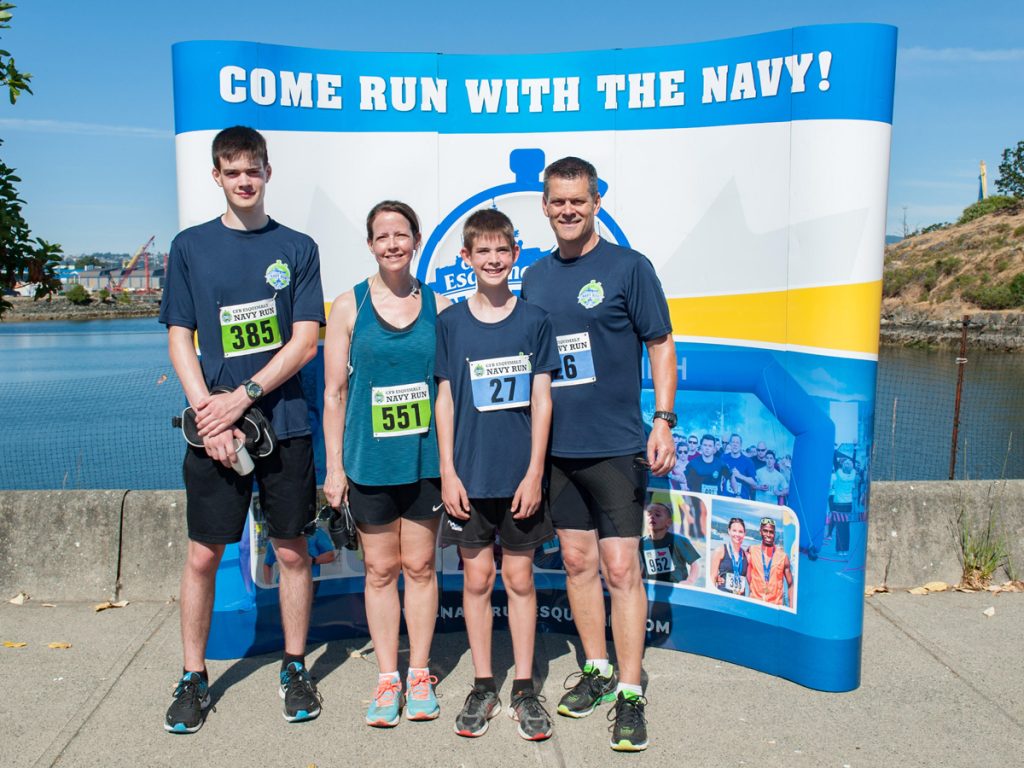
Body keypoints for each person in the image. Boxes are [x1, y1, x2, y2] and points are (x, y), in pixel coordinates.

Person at [159, 126, 325, 733]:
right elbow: (181, 337)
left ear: (267, 172)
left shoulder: (299, 248)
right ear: (217, 178)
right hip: (212, 431)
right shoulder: (189, 247)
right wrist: (210, 413)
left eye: (252, 169)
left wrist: (243, 399)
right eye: (232, 172)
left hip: (282, 426)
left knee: (291, 551)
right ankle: (193, 676)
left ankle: (294, 665)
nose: (244, 180)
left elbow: (305, 341)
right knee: (203, 555)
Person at [521, 156, 677, 753]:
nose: (567, 210)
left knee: (620, 570)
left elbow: (660, 345)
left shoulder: (628, 268)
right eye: (557, 201)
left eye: (578, 201)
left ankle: (631, 693)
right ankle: (597, 669)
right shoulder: (533, 277)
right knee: (580, 565)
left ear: (596, 203)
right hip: (557, 450)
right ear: (544, 205)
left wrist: (662, 419)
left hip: (616, 447)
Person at [321, 200, 448, 727]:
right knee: (379, 570)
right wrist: (334, 468)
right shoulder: (348, 307)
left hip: (423, 462)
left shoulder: (438, 306)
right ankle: (387, 678)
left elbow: (445, 389)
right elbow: (333, 393)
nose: (392, 244)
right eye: (382, 236)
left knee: (419, 568)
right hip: (367, 463)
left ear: (416, 240)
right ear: (371, 245)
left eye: (401, 234)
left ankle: (419, 673)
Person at [435, 208, 560, 741]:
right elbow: (442, 398)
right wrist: (447, 471)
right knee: (478, 580)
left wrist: (534, 473)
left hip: (519, 481)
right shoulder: (450, 324)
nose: (492, 259)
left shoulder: (534, 320)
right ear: (466, 258)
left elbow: (542, 399)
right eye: (481, 251)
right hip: (468, 479)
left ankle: (525, 687)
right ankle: (484, 683)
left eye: (501, 251)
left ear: (514, 255)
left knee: (520, 579)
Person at [639, 503, 700, 585]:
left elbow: (694, 564)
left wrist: (690, 580)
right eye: (649, 514)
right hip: (653, 587)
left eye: (657, 514)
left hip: (676, 587)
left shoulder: (680, 540)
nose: (652, 517)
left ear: (669, 522)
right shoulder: (641, 543)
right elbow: (642, 566)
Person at [263, 525, 336, 584]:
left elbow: (331, 556)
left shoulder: (316, 533)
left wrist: (313, 560)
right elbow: (267, 563)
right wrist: (268, 585)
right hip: (284, 586)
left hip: (310, 584)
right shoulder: (278, 537)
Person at [747, 518, 793, 606]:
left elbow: (790, 584)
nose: (768, 534)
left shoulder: (783, 557)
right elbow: (741, 569)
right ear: (760, 531)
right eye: (765, 531)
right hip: (754, 603)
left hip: (775, 606)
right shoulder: (751, 550)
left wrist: (791, 607)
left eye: (771, 532)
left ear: (774, 534)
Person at [709, 517, 749, 595]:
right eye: (734, 531)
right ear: (729, 531)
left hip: (739, 600)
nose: (737, 534)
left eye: (740, 531)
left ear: (744, 533)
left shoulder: (747, 556)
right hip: (723, 598)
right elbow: (712, 578)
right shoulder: (720, 551)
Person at [685, 434, 732, 499]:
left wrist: (737, 493)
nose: (707, 448)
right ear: (701, 446)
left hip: (715, 502)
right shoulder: (692, 464)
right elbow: (685, 482)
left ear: (714, 448)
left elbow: (731, 476)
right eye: (705, 445)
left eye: (710, 446)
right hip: (698, 502)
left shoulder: (721, 464)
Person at [829, 456, 857, 556]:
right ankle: (845, 550)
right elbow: (852, 463)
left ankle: (839, 550)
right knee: (846, 526)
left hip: (839, 503)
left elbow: (835, 463)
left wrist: (834, 450)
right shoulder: (853, 474)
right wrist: (853, 450)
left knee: (839, 527)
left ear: (842, 466)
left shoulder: (839, 474)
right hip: (848, 503)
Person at [720, 433, 757, 500]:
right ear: (730, 444)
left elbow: (754, 483)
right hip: (725, 498)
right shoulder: (723, 458)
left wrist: (740, 476)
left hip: (741, 499)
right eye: (733, 442)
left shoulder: (748, 462)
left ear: (741, 445)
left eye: (737, 442)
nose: (735, 444)